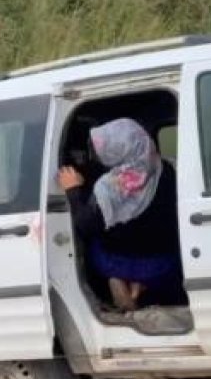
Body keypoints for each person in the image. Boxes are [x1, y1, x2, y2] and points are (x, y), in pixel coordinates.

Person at [58, 118, 184, 311]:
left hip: (124, 262)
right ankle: (138, 285)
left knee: (93, 244)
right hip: (167, 260)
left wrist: (73, 189)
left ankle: (121, 279)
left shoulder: (113, 186)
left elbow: (86, 224)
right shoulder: (166, 168)